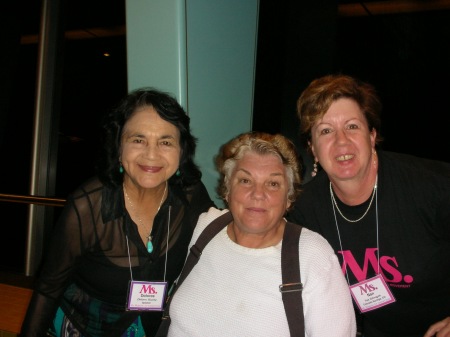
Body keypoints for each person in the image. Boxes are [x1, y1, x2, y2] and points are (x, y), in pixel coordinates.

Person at [19, 88, 215, 337]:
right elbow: (48, 289)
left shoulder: (191, 195)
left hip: (150, 327)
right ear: (119, 146)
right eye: (138, 140)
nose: (151, 154)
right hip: (82, 327)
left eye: (165, 142)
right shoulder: (88, 206)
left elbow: (222, 238)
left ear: (182, 150)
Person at [286, 74, 450, 337]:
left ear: (372, 135)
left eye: (352, 126)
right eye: (326, 130)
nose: (341, 141)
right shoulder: (306, 209)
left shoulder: (429, 186)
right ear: (313, 148)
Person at [166, 131, 356, 336]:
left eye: (273, 184)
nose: (258, 194)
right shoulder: (205, 227)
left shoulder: (312, 255)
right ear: (228, 189)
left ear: (289, 197)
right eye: (245, 181)